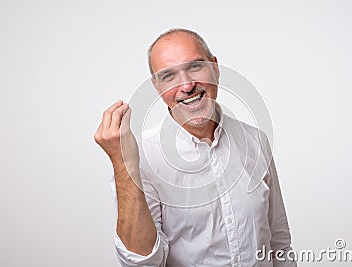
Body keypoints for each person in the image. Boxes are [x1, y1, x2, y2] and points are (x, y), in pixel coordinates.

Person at [94, 28, 297, 267]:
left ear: (215, 67)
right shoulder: (142, 159)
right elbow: (142, 263)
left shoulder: (255, 140)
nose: (187, 85)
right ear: (157, 87)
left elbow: (279, 243)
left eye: (195, 66)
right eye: (169, 76)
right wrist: (123, 163)